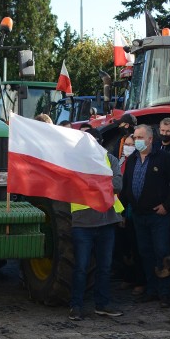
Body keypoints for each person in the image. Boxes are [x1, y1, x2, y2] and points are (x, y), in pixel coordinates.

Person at [121, 124, 170, 308]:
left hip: (158, 216)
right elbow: (126, 187)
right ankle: (151, 290)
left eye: (140, 138)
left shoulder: (163, 158)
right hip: (139, 215)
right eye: (135, 137)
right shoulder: (132, 160)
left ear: (150, 139)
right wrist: (123, 211)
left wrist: (166, 206)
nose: (137, 141)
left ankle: (165, 293)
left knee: (161, 253)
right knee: (145, 253)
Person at [68, 127, 124, 321]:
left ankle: (102, 304)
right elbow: (76, 186)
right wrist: (102, 182)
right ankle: (76, 306)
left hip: (107, 221)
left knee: (104, 267)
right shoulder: (75, 163)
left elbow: (117, 185)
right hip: (82, 223)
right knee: (81, 267)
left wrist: (94, 183)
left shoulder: (111, 159)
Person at [113, 134, 146, 296]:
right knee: (123, 246)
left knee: (136, 246)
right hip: (118, 209)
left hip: (131, 210)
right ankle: (127, 277)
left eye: (132, 144)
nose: (129, 147)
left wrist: (125, 212)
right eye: (126, 144)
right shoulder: (119, 161)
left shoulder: (138, 162)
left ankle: (140, 281)